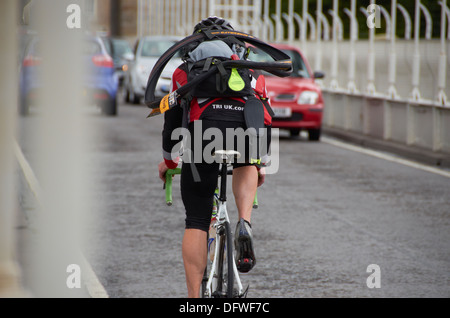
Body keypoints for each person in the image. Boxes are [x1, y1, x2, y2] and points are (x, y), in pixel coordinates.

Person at [157, 17, 271, 298]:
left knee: (196, 218)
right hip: (248, 136)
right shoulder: (251, 71)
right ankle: (244, 223)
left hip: (203, 134)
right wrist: (259, 164)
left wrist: (169, 162)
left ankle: (195, 299)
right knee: (246, 158)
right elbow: (265, 118)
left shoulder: (185, 72)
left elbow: (172, 126)